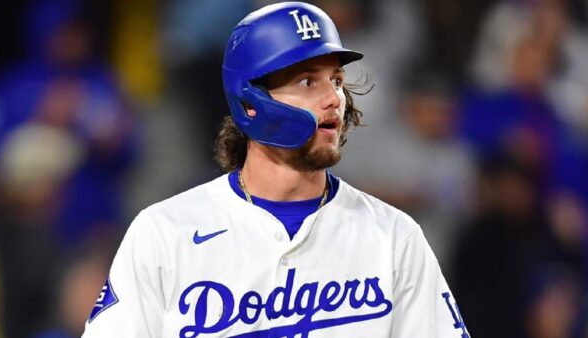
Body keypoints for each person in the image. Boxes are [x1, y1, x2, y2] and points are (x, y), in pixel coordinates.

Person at [82, 2, 470, 337]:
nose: (333, 98)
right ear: (250, 102)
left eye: (335, 80)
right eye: (307, 81)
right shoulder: (166, 233)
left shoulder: (394, 236)